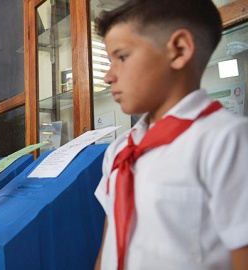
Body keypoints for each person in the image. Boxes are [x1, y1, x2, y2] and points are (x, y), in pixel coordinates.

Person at [92, 1, 248, 269]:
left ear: (179, 50)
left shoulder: (226, 141)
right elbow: (111, 237)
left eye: (122, 57)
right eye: (108, 62)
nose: (108, 76)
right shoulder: (120, 149)